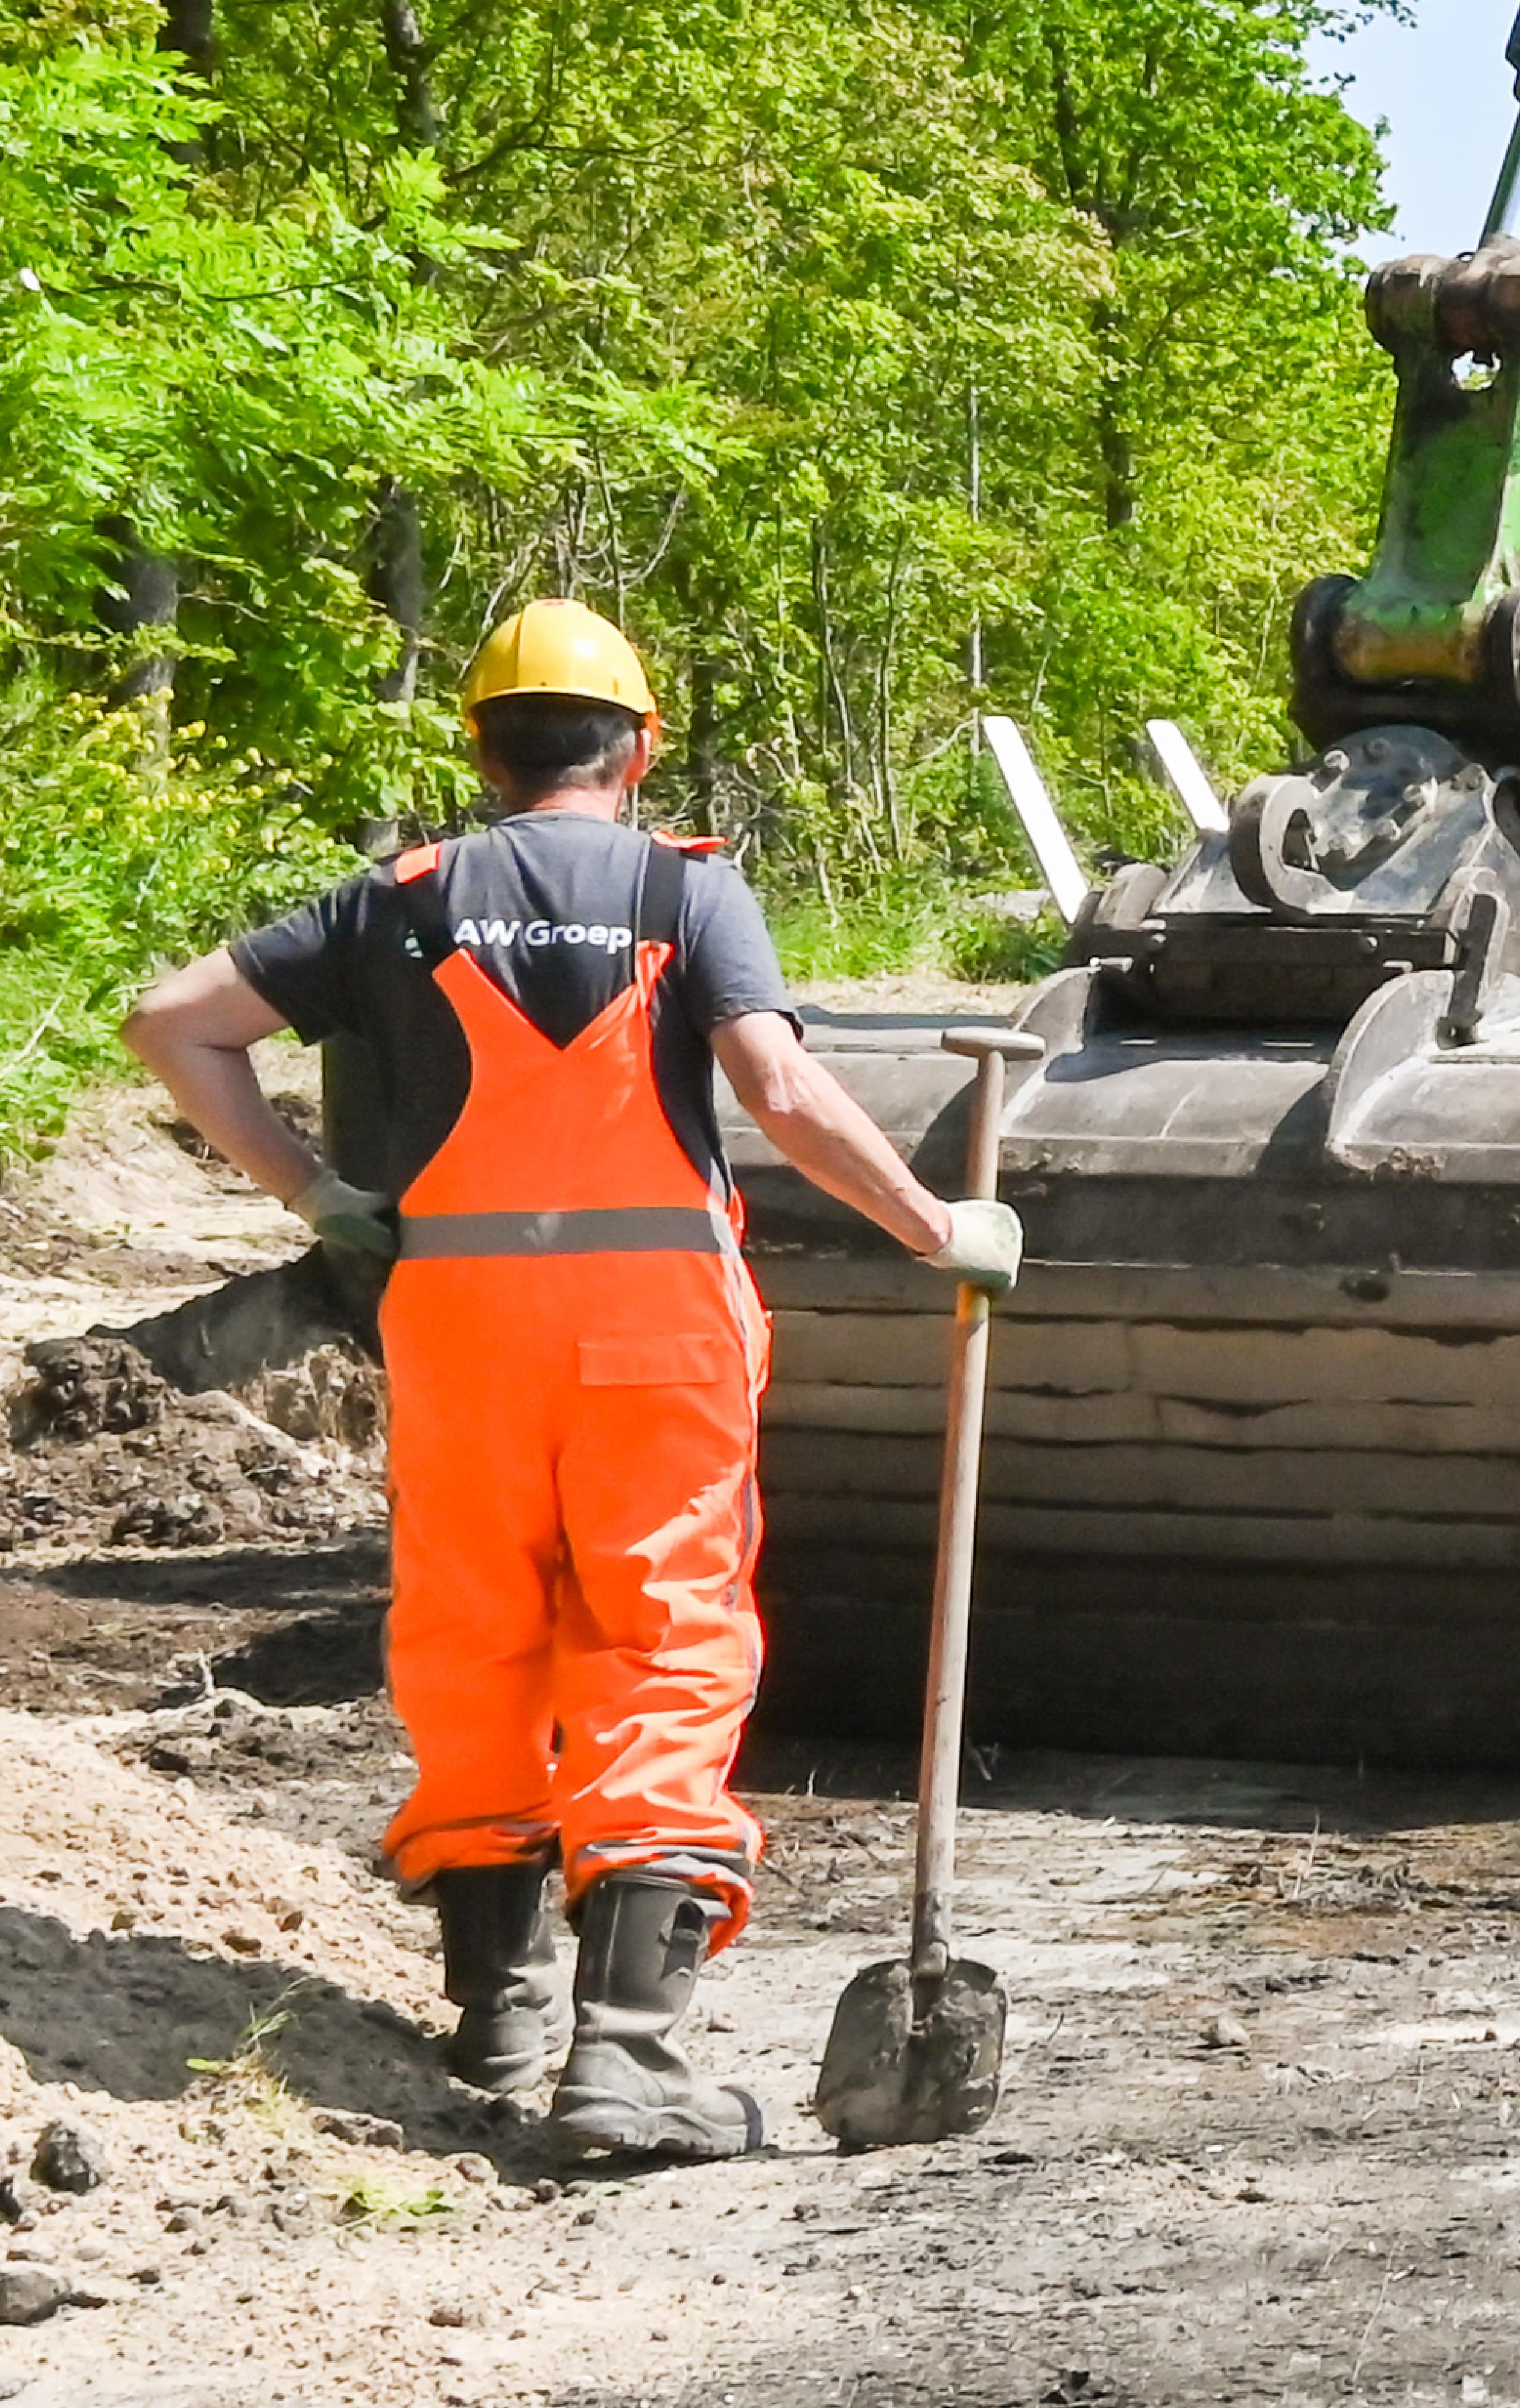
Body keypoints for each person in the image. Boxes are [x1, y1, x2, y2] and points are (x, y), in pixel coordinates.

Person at [121, 601, 1017, 2163]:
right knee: (659, 1634)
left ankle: (499, 2012)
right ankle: (629, 2056)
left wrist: (315, 1193)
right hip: (654, 1328)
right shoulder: (687, 891)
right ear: (639, 748)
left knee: (473, 1628)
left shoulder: (397, 901)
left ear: (484, 753)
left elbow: (173, 1024)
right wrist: (938, 1225)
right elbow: (780, 1088)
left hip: (459, 1326)